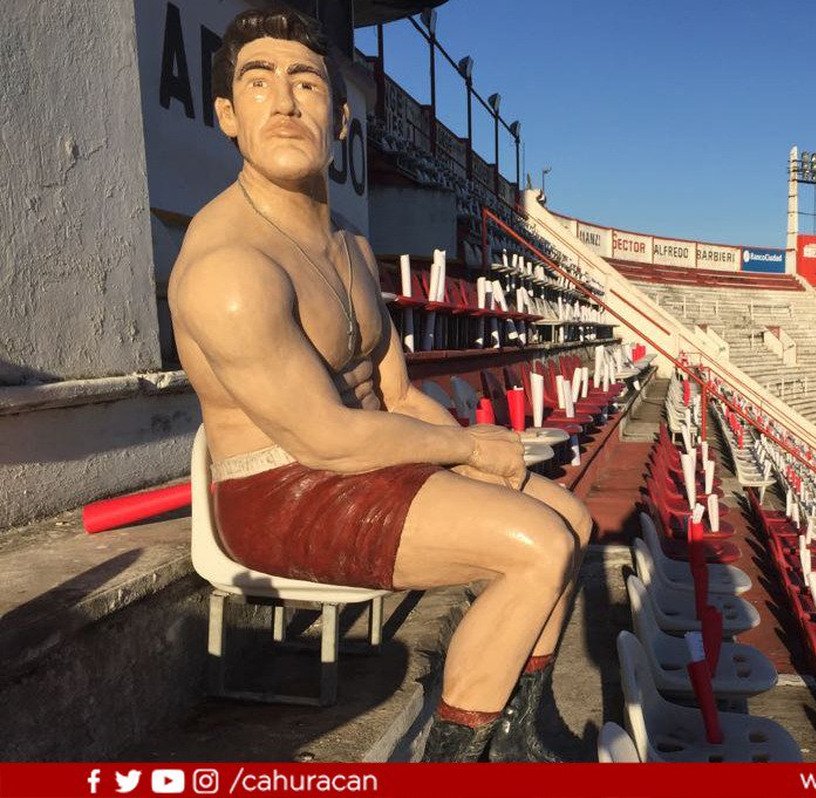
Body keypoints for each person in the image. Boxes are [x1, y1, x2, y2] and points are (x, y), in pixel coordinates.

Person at [168, 6, 592, 762]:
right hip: (280, 489)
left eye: (306, 82)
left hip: (365, 457)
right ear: (228, 116)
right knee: (535, 545)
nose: (287, 102)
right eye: (259, 83)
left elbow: (394, 396)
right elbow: (325, 439)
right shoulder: (231, 270)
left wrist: (463, 453)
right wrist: (465, 448)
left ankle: (521, 733)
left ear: (339, 121)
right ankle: (458, 761)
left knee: (574, 523)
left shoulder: (353, 247)